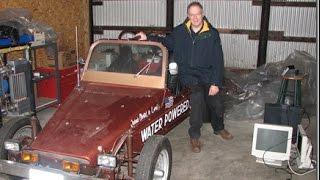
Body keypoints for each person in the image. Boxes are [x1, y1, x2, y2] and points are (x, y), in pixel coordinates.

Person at [136, 1, 233, 153]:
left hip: (207, 74)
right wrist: (147, 36)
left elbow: (218, 60)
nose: (195, 17)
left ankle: (219, 127)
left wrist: (215, 82)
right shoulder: (180, 31)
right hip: (188, 74)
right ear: (188, 16)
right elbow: (165, 41)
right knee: (197, 98)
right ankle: (194, 136)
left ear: (203, 14)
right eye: (192, 14)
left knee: (217, 102)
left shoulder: (212, 34)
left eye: (198, 14)